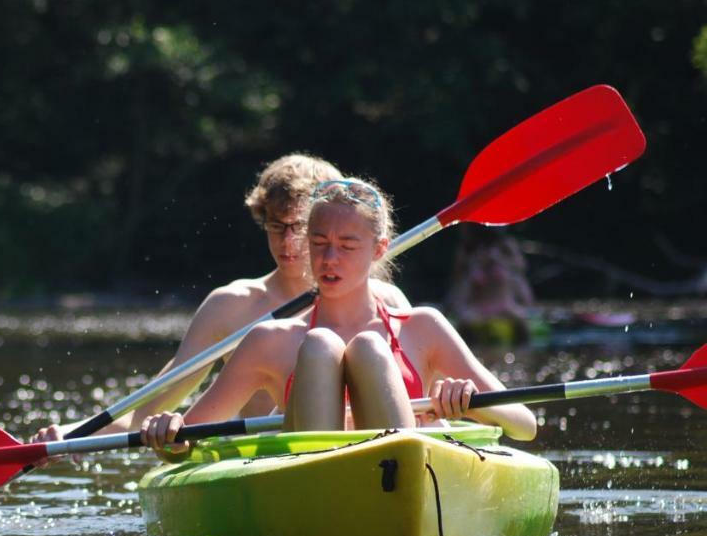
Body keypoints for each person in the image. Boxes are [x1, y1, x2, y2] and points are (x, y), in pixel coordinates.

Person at [139, 177, 537, 457]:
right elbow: (186, 442)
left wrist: (466, 402)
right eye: (319, 243)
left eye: (347, 246)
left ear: (379, 249)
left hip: (402, 481)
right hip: (312, 490)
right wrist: (169, 434)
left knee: (368, 348)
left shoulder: (424, 327)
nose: (329, 260)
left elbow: (524, 424)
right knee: (321, 345)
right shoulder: (270, 340)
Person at [32, 153, 408, 442]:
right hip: (270, 463)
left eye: (299, 227)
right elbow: (143, 411)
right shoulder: (231, 306)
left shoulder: (388, 302)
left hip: (376, 455)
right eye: (275, 226)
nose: (288, 242)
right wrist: (70, 435)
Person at [445, 228, 536, 344]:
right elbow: (458, 274)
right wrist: (476, 263)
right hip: (476, 302)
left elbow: (520, 265)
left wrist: (498, 260)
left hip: (504, 302)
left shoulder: (505, 245)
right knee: (465, 318)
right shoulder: (468, 249)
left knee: (521, 316)